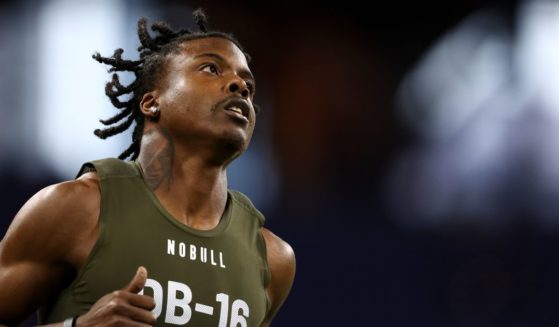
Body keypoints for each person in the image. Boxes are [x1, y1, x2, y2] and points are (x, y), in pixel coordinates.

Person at [0, 9, 295, 327]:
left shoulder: (272, 258)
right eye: (211, 69)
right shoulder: (79, 208)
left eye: (248, 85)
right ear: (151, 102)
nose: (240, 86)